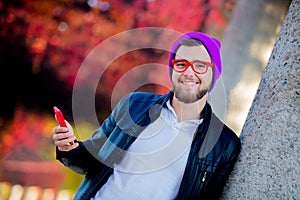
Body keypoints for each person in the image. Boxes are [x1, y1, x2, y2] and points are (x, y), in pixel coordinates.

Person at [52, 31, 241, 200]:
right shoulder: (134, 105)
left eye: (200, 66)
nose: (189, 72)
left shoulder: (224, 145)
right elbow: (92, 160)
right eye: (181, 64)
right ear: (173, 69)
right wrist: (69, 147)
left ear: (214, 73)